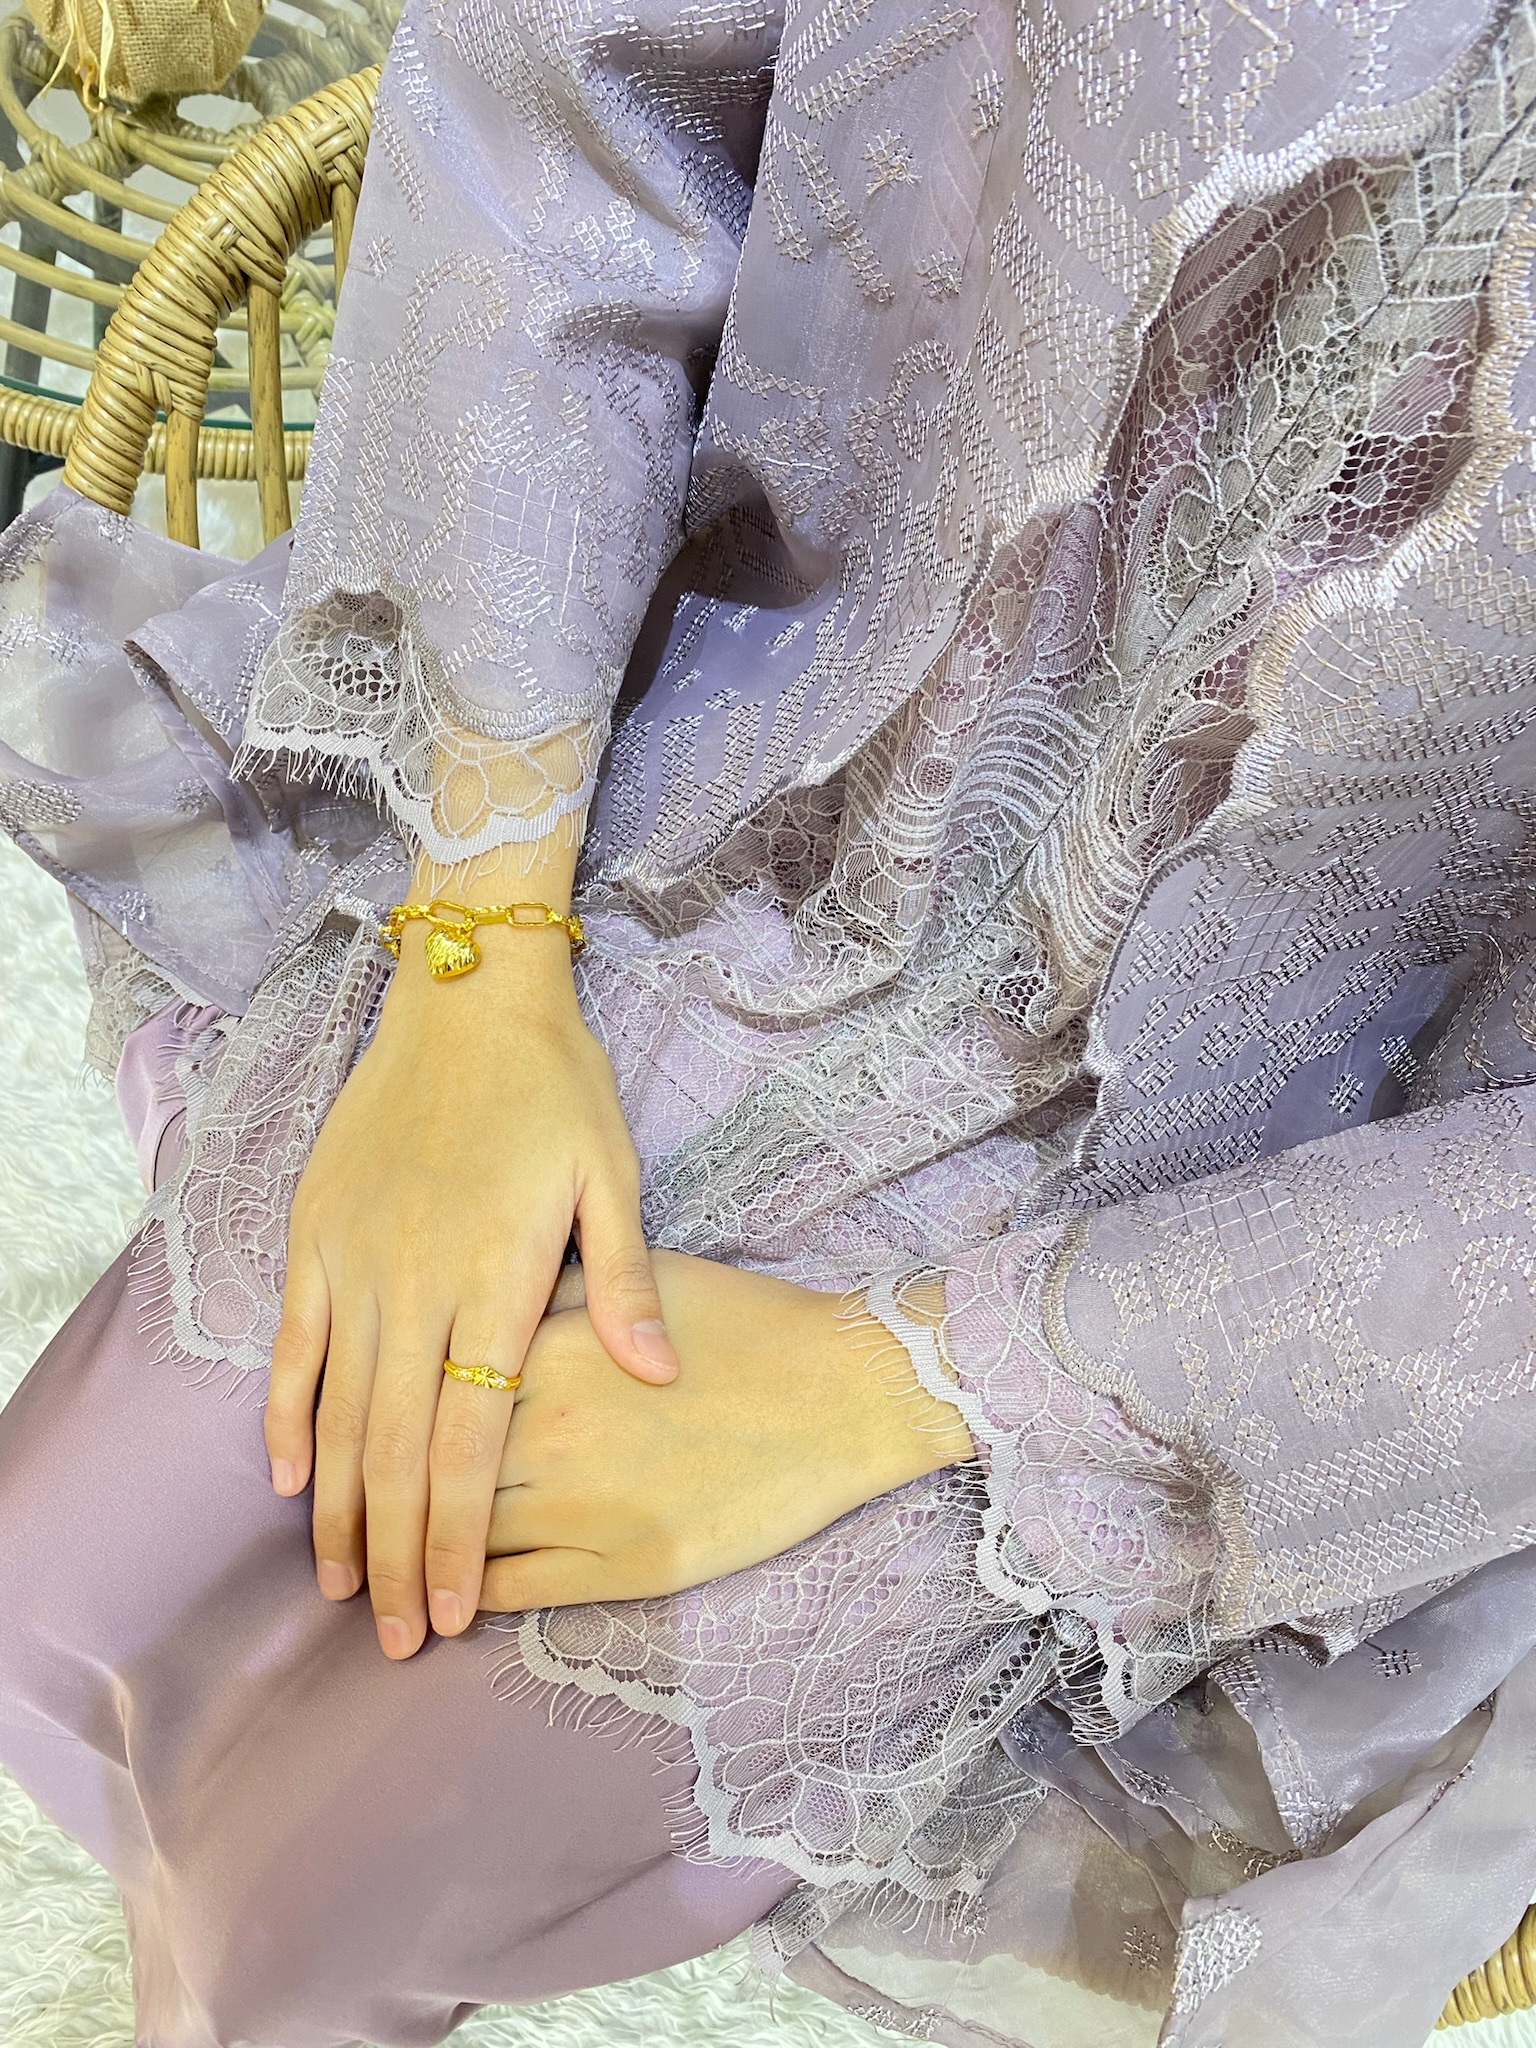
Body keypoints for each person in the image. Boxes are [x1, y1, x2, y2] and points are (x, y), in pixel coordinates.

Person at [2, 0, 1535, 2041]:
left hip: (1278, 1236)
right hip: (699, 791)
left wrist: (929, 1384)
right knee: (55, 1591)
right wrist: (477, 953)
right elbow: (573, 86)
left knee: (313, 1894)